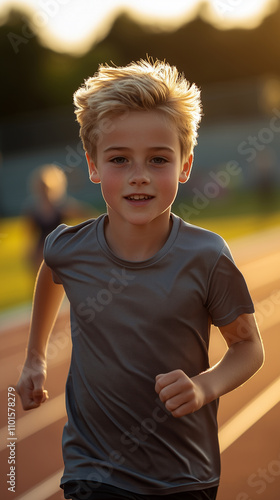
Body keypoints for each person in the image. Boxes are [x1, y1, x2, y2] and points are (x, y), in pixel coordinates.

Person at [16, 59, 264, 500]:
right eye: (119, 159)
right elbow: (50, 270)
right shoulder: (69, 247)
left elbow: (249, 347)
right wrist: (35, 357)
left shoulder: (207, 256)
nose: (139, 175)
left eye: (158, 159)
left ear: (185, 166)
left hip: (185, 476)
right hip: (92, 471)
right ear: (93, 165)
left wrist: (205, 386)